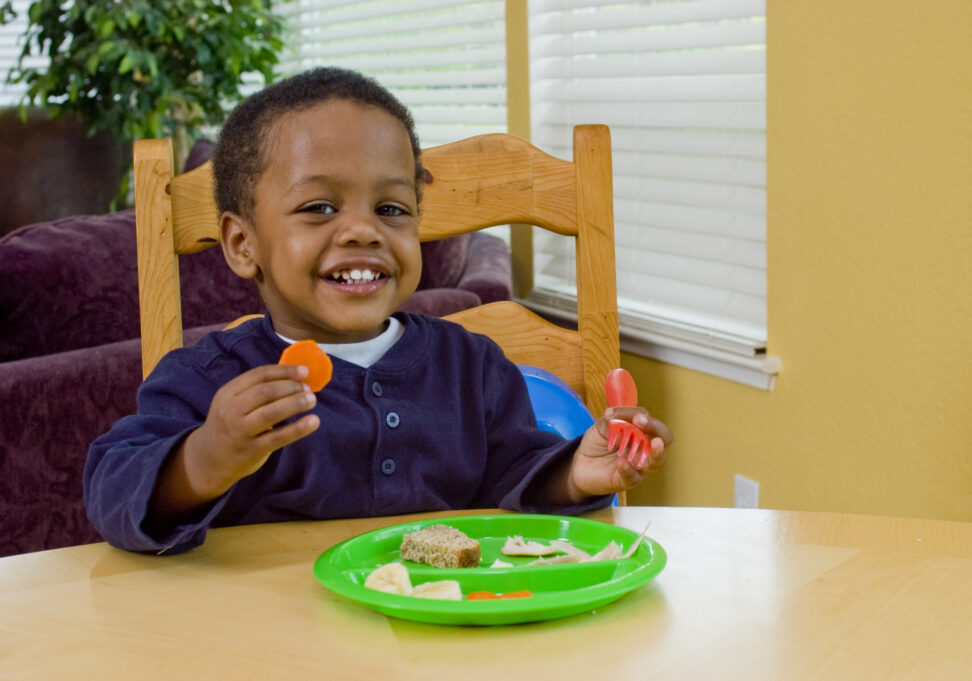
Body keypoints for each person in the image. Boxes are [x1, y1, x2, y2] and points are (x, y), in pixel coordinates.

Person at [84, 67, 672, 554]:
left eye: (391, 209)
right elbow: (110, 490)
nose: (363, 230)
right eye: (319, 207)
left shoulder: (473, 366)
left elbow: (518, 477)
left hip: (445, 626)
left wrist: (576, 474)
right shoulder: (209, 380)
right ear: (243, 244)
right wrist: (207, 458)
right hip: (268, 638)